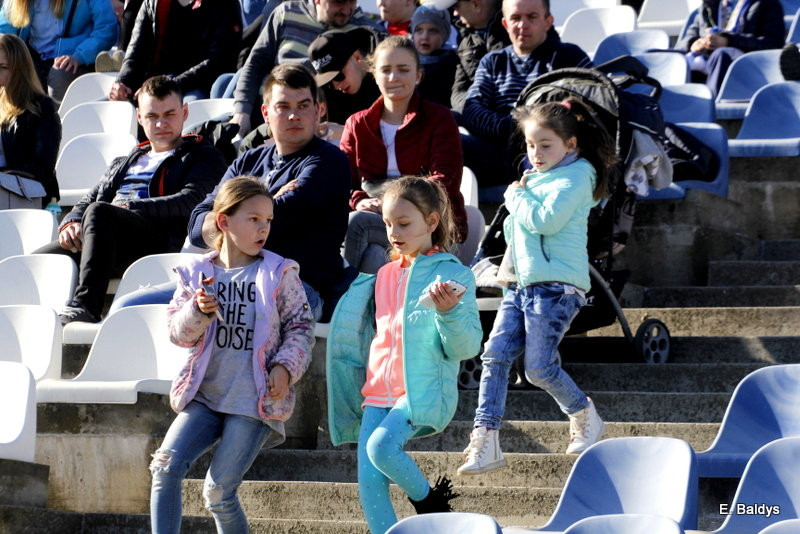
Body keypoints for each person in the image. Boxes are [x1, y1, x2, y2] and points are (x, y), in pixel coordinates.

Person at [457, 97, 616, 476]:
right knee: (493, 356)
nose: (537, 153)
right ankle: (486, 439)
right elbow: (519, 233)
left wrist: (515, 195)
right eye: (531, 145)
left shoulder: (579, 176)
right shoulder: (536, 179)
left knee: (539, 369)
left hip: (557, 288)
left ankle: (584, 415)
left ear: (570, 144)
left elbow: (545, 221)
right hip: (521, 285)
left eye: (546, 145)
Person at [152, 176, 314, 534]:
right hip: (204, 397)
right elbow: (178, 335)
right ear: (224, 221)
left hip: (252, 402)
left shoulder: (279, 272)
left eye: (268, 220)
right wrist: (197, 310)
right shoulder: (197, 274)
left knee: (218, 492)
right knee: (164, 467)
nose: (264, 228)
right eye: (254, 219)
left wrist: (286, 368)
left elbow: (301, 330)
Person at [327, 176, 483, 534]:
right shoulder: (382, 275)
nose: (393, 232)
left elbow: (466, 347)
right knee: (369, 484)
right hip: (376, 393)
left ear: (432, 222)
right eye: (387, 224)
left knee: (382, 448)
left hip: (419, 390)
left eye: (404, 223)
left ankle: (432, 505)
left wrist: (449, 312)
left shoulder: (453, 273)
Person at [36, 75, 227, 324]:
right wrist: (70, 221)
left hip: (155, 241)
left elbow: (191, 201)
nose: (161, 123)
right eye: (152, 116)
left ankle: (86, 306)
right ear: (139, 118)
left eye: (169, 114)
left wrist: (130, 206)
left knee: (99, 212)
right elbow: (89, 198)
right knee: (38, 260)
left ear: (185, 112)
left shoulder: (203, 156)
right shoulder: (127, 159)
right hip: (105, 232)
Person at [189, 63, 352, 322]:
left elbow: (281, 221)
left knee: (226, 313)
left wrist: (229, 217)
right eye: (283, 107)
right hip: (231, 281)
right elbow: (196, 225)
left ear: (318, 110)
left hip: (298, 288)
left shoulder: (329, 161)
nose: (294, 116)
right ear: (266, 113)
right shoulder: (247, 161)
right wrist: (269, 201)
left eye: (303, 106)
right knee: (136, 305)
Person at [340, 36, 465, 274]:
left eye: (403, 70)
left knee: (357, 224)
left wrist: (393, 203)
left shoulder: (440, 119)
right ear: (374, 74)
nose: (393, 77)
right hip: (380, 223)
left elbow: (445, 179)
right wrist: (359, 200)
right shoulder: (356, 124)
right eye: (385, 70)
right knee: (375, 255)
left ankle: (341, 303)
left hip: (428, 222)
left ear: (418, 75)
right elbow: (342, 181)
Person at [460, 0, 591, 188]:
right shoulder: (493, 61)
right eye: (515, 18)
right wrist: (518, 128)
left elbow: (590, 106)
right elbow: (472, 108)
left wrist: (536, 132)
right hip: (498, 149)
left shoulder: (569, 57)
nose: (522, 25)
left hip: (551, 153)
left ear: (548, 22)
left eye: (532, 17)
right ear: (505, 24)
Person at [229, 0, 383, 137]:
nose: (347, 10)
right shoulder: (286, 12)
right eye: (339, 2)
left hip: (313, 115)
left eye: (353, 2)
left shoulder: (367, 32)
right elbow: (255, 63)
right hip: (267, 103)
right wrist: (242, 112)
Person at [108, 0, 242, 103]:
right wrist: (122, 82)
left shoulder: (224, 4)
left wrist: (170, 85)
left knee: (187, 109)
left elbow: (219, 61)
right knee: (109, 107)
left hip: (195, 85)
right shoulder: (152, 2)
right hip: (152, 84)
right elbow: (135, 51)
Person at [0, 0, 117, 101]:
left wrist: (80, 56)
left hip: (73, 60)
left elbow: (107, 29)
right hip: (32, 57)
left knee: (59, 75)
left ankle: (58, 124)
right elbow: (4, 33)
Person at [0, 34, 61, 209]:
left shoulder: (41, 108)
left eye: (3, 67)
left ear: (20, 71)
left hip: (23, 194)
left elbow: (43, 168)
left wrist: (3, 176)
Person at [676, 0, 785, 96]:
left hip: (744, 65)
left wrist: (729, 41)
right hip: (704, 60)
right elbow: (683, 42)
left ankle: (709, 105)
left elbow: (773, 44)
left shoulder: (767, 3)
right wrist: (694, 44)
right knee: (666, 57)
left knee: (721, 54)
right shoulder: (709, 5)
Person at [307, 27, 381, 125]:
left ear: (357, 57)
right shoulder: (325, 93)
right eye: (328, 82)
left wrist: (345, 133)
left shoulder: (387, 80)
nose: (336, 86)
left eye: (338, 76)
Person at [448, 0, 509, 112]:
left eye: (457, 6)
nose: (455, 13)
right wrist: (474, 111)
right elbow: (459, 90)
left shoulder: (516, 34)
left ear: (476, 4)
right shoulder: (465, 43)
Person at [411, 5, 457, 107]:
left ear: (444, 34)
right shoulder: (405, 61)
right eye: (419, 30)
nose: (425, 37)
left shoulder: (454, 64)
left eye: (433, 30)